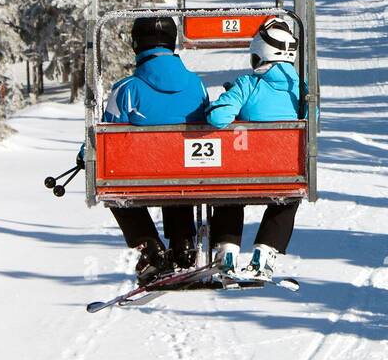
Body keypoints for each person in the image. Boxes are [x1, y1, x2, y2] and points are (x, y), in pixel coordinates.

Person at [97, 16, 210, 282]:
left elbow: (107, 134)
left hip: (141, 175)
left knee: (113, 185)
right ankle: (183, 245)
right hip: (189, 170)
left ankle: (150, 249)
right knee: (178, 171)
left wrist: (83, 156)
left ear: (137, 45)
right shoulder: (196, 84)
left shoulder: (127, 89)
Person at [207, 18, 303, 280]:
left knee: (229, 191)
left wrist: (228, 98)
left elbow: (217, 118)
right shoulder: (301, 90)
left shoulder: (248, 85)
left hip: (247, 167)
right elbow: (313, 117)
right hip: (286, 170)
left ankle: (227, 252)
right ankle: (265, 252)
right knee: (288, 198)